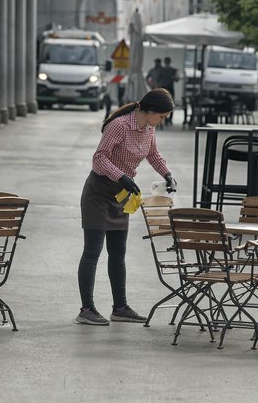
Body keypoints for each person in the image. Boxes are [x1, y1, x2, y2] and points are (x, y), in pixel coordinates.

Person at [76, 88, 177, 325]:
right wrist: (121, 175)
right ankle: (86, 309)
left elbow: (153, 155)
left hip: (121, 195)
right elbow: (99, 158)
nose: (161, 122)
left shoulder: (148, 129)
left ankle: (120, 307)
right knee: (92, 252)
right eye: (161, 117)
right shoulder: (119, 126)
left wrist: (168, 174)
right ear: (149, 110)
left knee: (118, 253)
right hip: (99, 192)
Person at [156, 57, 180, 125]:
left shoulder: (163, 70)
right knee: (169, 104)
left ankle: (167, 119)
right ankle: (167, 119)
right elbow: (177, 79)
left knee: (166, 104)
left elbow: (157, 80)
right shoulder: (171, 70)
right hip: (167, 88)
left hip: (166, 88)